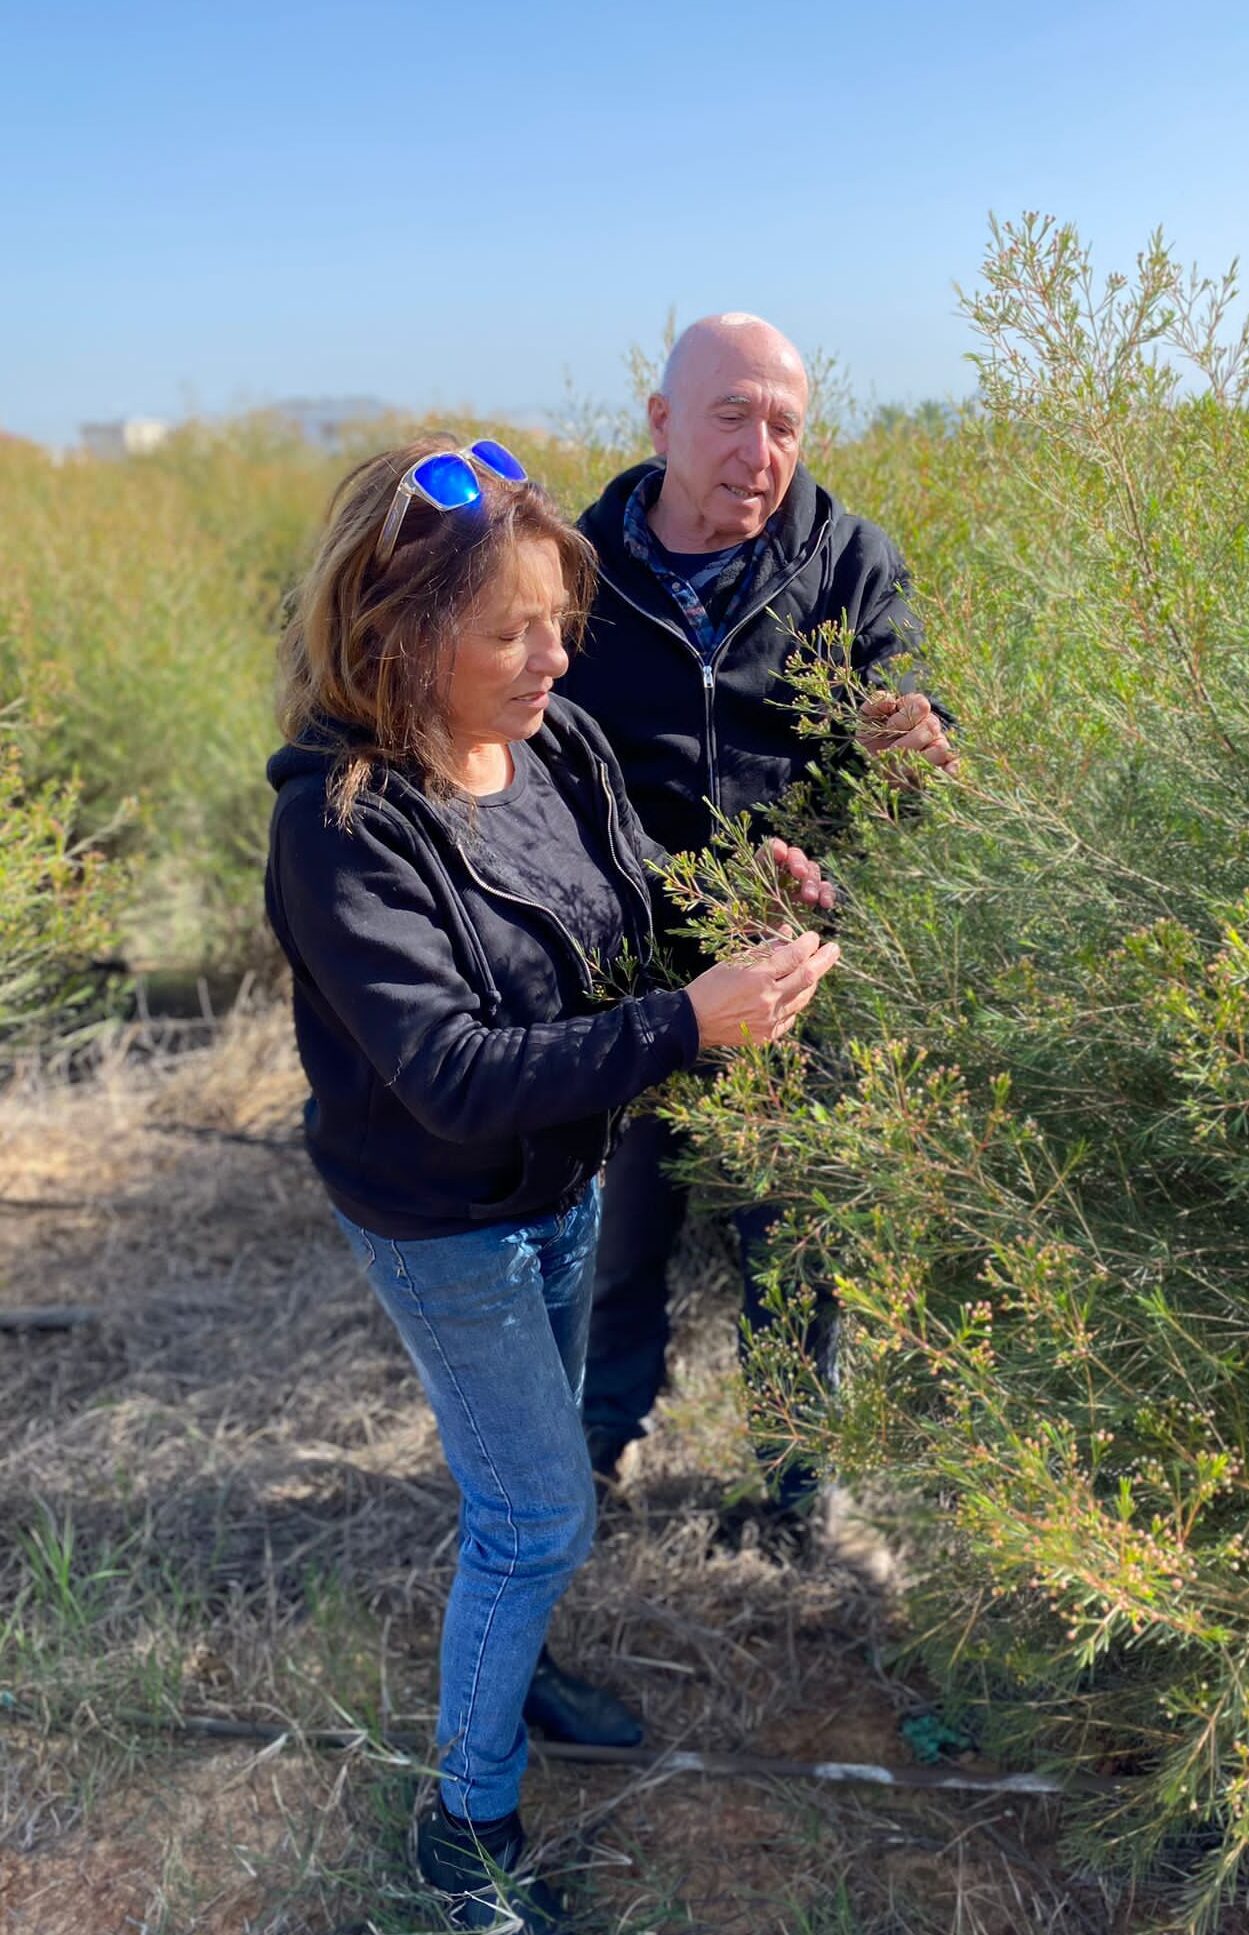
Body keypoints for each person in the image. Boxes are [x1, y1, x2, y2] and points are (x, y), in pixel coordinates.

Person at [263, 434, 840, 1930]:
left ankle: (512, 1667)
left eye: (559, 619)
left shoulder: (554, 741)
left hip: (563, 1177)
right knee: (534, 1514)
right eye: (511, 629)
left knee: (536, 1491)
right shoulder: (340, 825)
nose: (554, 654)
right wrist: (688, 1020)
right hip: (445, 1218)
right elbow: (448, 1073)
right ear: (401, 636)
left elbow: (631, 894)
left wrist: (738, 888)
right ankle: (462, 1822)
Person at [562, 313, 957, 1513]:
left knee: (793, 1251)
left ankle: (797, 1492)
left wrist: (917, 746)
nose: (759, 450)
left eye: (783, 423)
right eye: (731, 416)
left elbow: (904, 727)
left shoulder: (848, 559)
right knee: (615, 1239)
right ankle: (593, 1455)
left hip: (791, 974)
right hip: (631, 973)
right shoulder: (578, 569)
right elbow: (542, 762)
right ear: (664, 422)